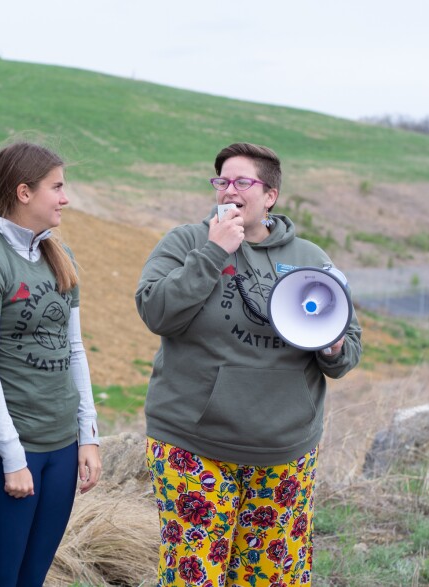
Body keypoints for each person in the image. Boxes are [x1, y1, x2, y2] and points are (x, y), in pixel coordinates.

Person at [136, 142, 362, 586]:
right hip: (194, 444)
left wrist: (332, 347)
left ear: (270, 196)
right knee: (192, 577)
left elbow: (347, 351)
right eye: (221, 181)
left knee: (270, 578)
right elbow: (155, 311)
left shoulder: (311, 259)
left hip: (284, 451)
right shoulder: (186, 242)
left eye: (243, 182)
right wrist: (213, 252)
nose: (228, 190)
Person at [0, 141, 102, 586]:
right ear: (23, 192)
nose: (65, 197)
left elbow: (75, 349)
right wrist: (13, 457)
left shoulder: (59, 255)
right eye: (56, 187)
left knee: (33, 576)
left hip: (60, 447)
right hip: (6, 449)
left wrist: (88, 435)